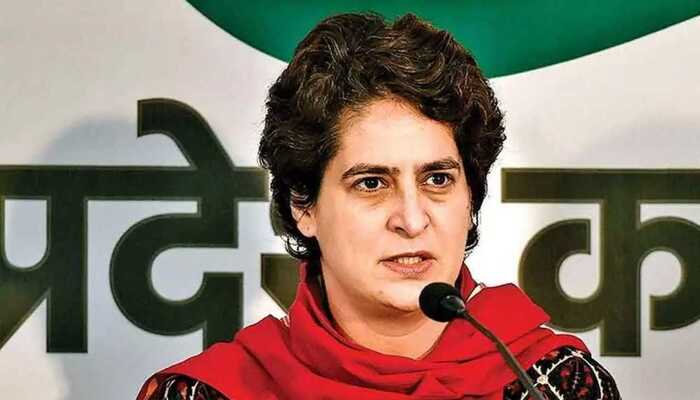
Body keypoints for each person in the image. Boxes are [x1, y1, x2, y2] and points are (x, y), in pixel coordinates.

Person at [137, 12, 620, 400]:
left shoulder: (552, 384)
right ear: (304, 205)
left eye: (437, 179)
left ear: (470, 197)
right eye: (371, 183)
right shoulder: (212, 392)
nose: (411, 219)